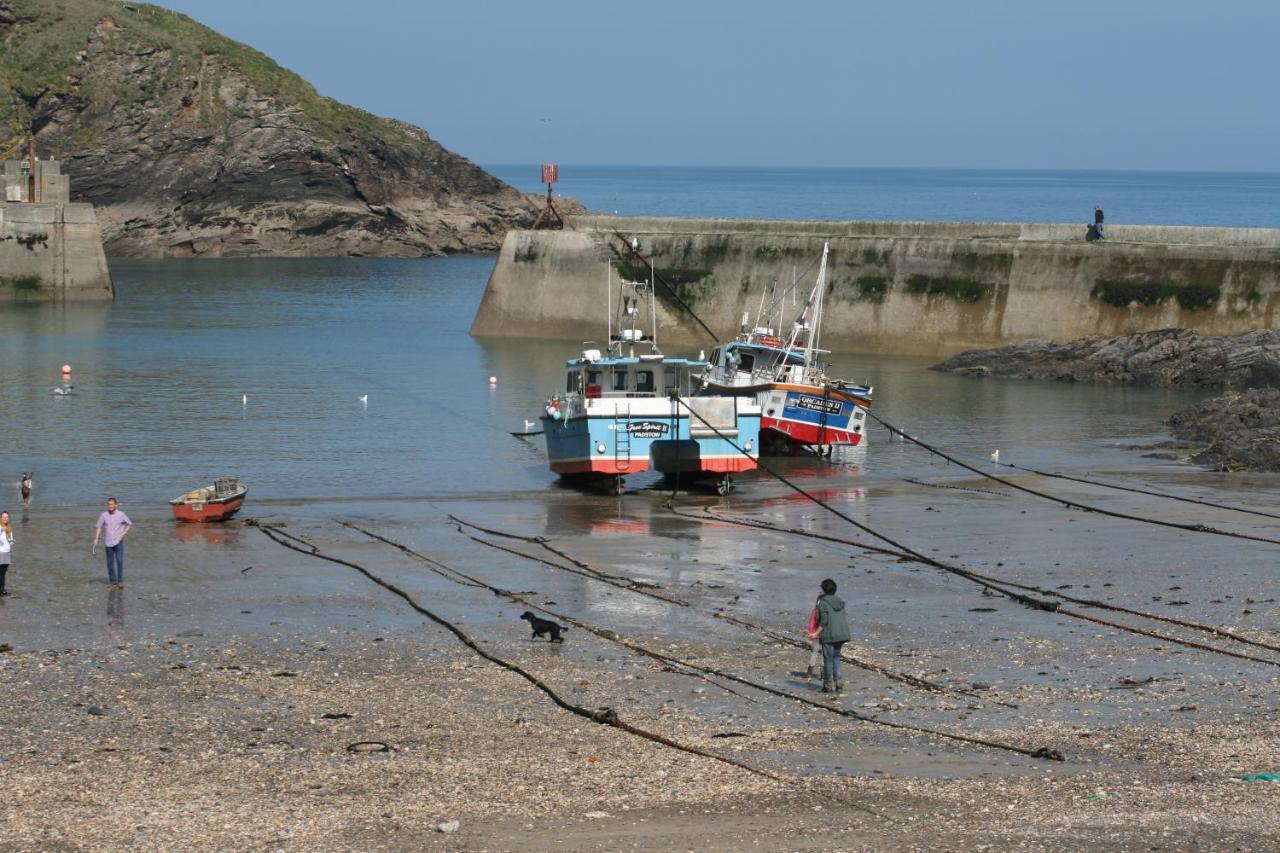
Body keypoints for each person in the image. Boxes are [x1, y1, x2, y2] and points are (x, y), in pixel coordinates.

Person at [816, 577, 851, 694]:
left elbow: (824, 621)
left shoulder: (823, 603)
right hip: (842, 634)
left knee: (828, 660)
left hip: (829, 634)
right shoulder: (840, 602)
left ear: (824, 590)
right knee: (836, 658)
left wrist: (815, 633)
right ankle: (839, 684)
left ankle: (828, 685)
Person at [92, 497, 132, 587]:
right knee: (110, 563)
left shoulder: (121, 514)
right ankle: (112, 581)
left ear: (116, 505)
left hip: (118, 542)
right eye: (108, 504)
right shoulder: (104, 515)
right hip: (108, 543)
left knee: (119, 560)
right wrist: (96, 538)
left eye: (111, 504)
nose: (110, 506)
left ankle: (120, 581)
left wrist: (123, 533)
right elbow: (99, 526)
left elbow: (129, 524)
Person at [805, 602, 822, 678]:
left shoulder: (815, 611)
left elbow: (811, 624)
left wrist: (810, 636)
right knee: (825, 655)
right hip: (826, 635)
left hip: (816, 634)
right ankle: (823, 673)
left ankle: (810, 672)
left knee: (814, 653)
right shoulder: (829, 611)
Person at [0, 510, 12, 597]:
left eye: (7, 517)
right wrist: (1, 530)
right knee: (0, 573)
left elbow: (10, 541)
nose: (5, 518)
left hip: (7, 553)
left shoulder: (9, 528)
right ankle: (1, 591)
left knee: (3, 573)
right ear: (0, 518)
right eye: (4, 517)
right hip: (0, 553)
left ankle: (2, 590)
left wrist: (11, 541)